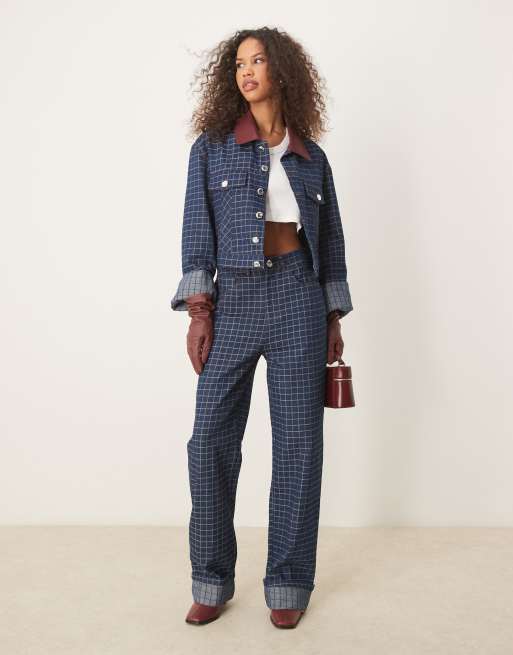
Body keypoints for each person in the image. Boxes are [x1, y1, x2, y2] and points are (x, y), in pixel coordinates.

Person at [170, 27, 353, 629]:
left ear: (283, 71)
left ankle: (289, 584)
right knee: (209, 442)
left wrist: (332, 316)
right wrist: (200, 312)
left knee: (299, 445)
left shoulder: (312, 158)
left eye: (258, 60)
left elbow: (330, 242)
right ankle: (211, 579)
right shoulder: (212, 148)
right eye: (239, 63)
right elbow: (196, 229)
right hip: (235, 300)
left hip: (299, 298)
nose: (246, 71)